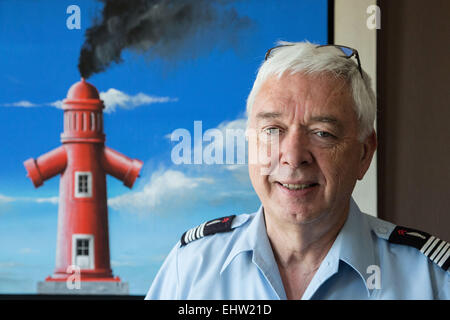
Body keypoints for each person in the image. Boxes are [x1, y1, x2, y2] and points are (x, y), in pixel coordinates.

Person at [145, 41, 449, 300]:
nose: (292, 156)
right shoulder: (190, 269)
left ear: (364, 154)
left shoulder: (432, 281)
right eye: (273, 129)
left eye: (322, 133)